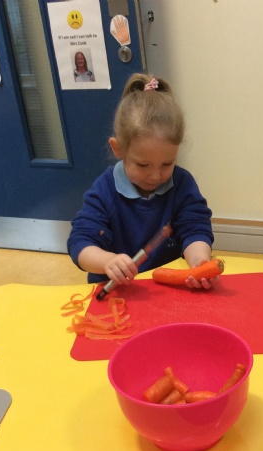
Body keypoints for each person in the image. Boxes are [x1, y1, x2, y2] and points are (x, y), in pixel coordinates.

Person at [68, 73, 215, 289]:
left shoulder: (182, 184)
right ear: (118, 148)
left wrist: (199, 262)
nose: (155, 175)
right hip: (116, 292)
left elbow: (195, 229)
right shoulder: (105, 190)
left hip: (168, 291)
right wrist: (107, 261)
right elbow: (80, 242)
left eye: (167, 164)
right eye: (143, 165)